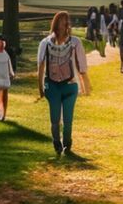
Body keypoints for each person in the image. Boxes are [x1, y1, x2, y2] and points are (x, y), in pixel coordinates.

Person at [37, 11, 91, 155]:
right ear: (56, 23)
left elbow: (82, 67)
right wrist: (41, 88)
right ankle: (56, 141)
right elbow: (41, 66)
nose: (65, 23)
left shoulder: (75, 42)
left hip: (70, 85)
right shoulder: (45, 43)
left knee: (68, 119)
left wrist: (86, 86)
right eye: (62, 20)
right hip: (52, 85)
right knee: (55, 118)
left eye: (67, 20)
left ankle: (67, 143)